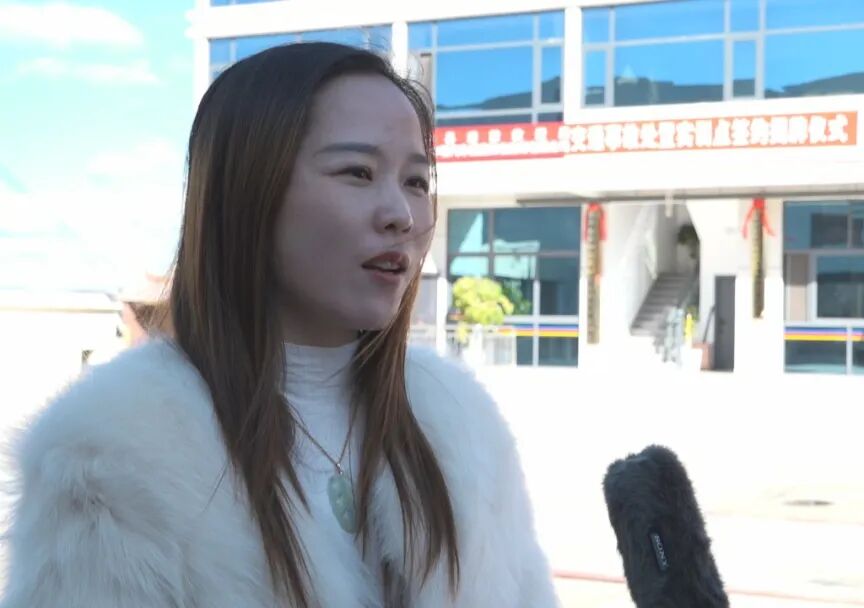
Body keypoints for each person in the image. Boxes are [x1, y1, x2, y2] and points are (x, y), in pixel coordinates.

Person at [1, 44, 558, 608]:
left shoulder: (464, 425)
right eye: (358, 172)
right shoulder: (111, 452)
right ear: (249, 191)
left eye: (416, 181)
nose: (402, 215)